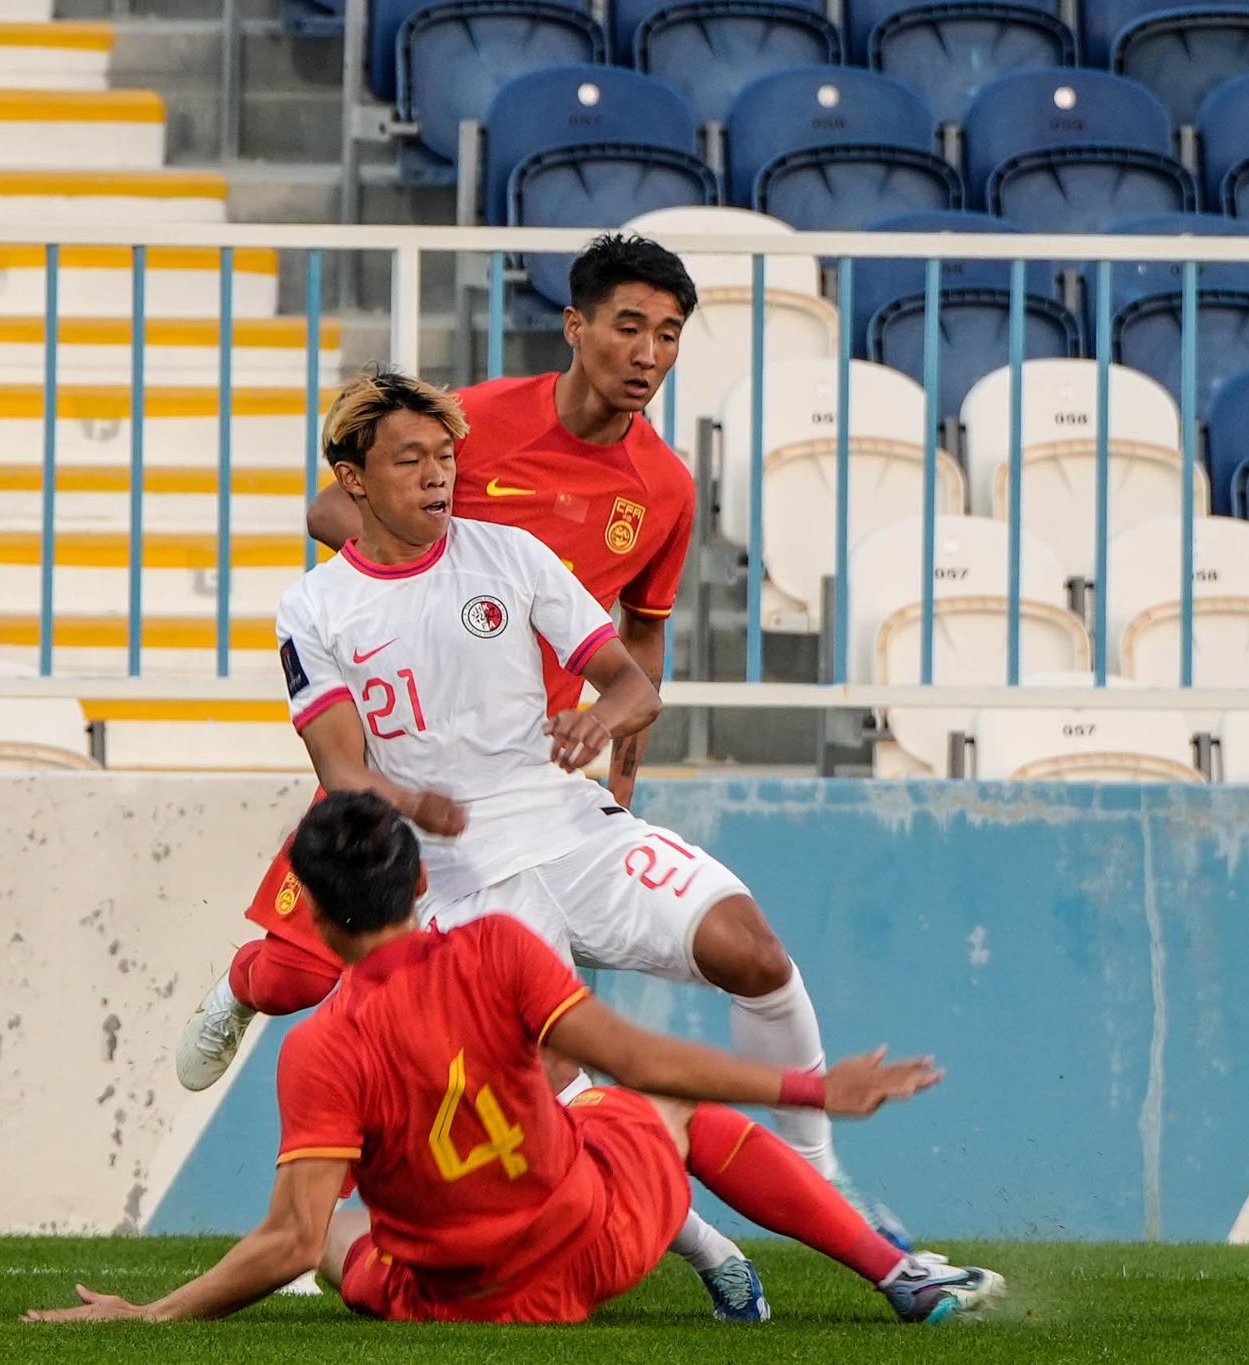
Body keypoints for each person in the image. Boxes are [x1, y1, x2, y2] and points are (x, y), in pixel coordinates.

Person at [180, 370, 910, 1314]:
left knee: (750, 946)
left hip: (565, 821)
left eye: (447, 458)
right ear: (351, 479)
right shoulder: (314, 610)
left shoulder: (511, 555)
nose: (440, 477)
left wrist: (601, 719)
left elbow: (632, 680)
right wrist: (414, 800)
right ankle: (712, 1250)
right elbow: (340, 772)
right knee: (545, 1085)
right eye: (412, 461)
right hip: (450, 864)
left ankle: (823, 1178)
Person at [27, 792, 1005, 1327]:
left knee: (329, 1232)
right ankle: (893, 1275)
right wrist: (810, 1086)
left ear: (316, 919)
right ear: (418, 883)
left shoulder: (319, 1047)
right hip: (596, 1245)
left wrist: (152, 1316)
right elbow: (643, 1060)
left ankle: (723, 1265)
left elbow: (288, 1240)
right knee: (655, 1113)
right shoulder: (497, 949)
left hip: (462, 1303)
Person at [187, 232, 704, 1059]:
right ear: (574, 325)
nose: (646, 355)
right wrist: (437, 580)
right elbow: (329, 510)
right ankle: (240, 987)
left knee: (525, 1025)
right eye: (628, 327)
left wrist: (622, 784)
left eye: (668, 334)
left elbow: (644, 635)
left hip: (524, 780)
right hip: (408, 747)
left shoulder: (666, 488)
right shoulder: (476, 423)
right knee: (297, 977)